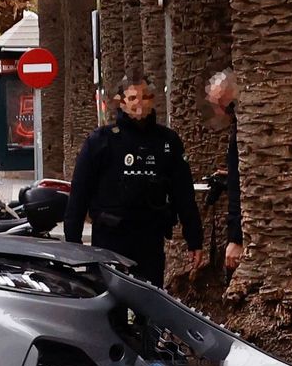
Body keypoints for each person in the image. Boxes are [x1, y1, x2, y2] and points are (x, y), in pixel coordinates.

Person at [64, 79, 205, 285]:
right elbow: (79, 193)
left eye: (145, 97)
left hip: (150, 237)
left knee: (149, 304)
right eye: (132, 98)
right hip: (110, 239)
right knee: (111, 304)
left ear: (153, 101)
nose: (139, 103)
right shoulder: (101, 140)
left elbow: (183, 193)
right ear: (122, 103)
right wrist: (72, 245)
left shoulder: (167, 141)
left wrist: (194, 239)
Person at [206, 70, 242, 271]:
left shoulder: (242, 131)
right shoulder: (237, 127)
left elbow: (241, 189)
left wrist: (236, 238)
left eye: (221, 104)